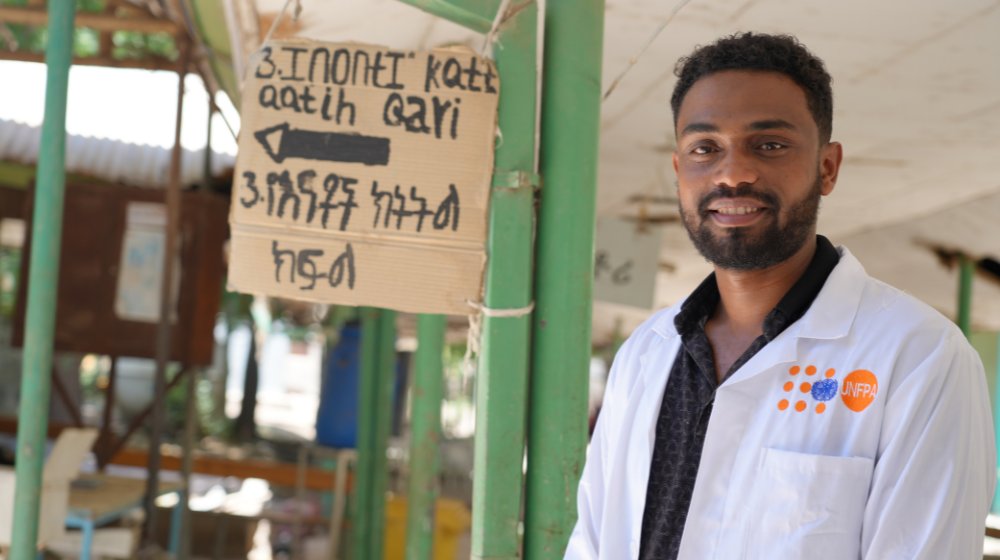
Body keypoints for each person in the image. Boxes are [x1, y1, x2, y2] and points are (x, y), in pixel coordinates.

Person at [566, 32, 996, 559]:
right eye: (705, 148)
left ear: (827, 167)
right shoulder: (645, 353)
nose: (733, 173)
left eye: (769, 145)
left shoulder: (919, 358)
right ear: (680, 173)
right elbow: (592, 542)